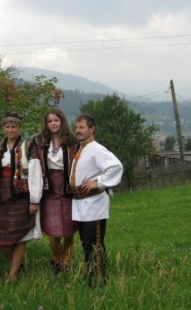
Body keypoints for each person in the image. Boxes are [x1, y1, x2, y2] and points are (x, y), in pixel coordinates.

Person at [0, 112, 42, 283]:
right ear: (3, 128)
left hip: (21, 196)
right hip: (1, 195)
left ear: (19, 128)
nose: (10, 130)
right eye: (7, 126)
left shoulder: (28, 146)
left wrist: (34, 200)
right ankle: (17, 266)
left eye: (13, 127)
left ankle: (13, 274)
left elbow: (35, 173)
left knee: (20, 235)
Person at [70, 114, 123, 286]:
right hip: (81, 204)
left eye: (82, 127)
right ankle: (91, 275)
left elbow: (116, 166)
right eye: (76, 127)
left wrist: (99, 183)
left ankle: (99, 279)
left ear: (92, 129)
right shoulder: (81, 149)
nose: (78, 130)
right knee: (86, 243)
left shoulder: (96, 149)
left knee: (95, 243)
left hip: (94, 204)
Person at [30, 108, 78, 274]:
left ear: (62, 121)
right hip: (49, 187)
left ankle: (67, 261)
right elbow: (33, 164)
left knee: (69, 228)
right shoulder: (40, 141)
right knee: (53, 228)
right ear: (46, 123)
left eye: (56, 120)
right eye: (50, 121)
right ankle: (56, 260)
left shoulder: (72, 141)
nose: (53, 124)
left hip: (67, 187)